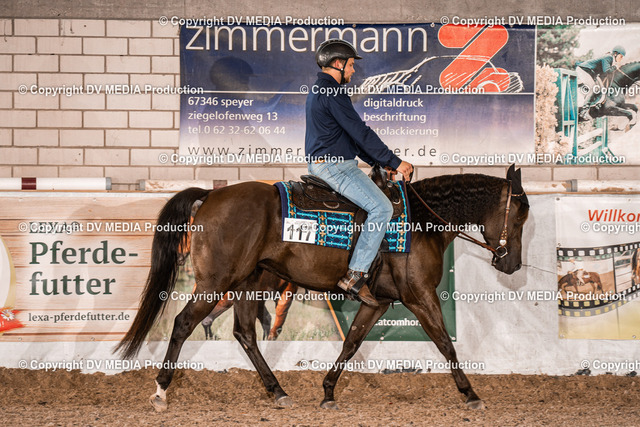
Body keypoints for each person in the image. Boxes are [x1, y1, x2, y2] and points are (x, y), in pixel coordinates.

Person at [305, 39, 414, 307]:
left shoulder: (321, 90)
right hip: (335, 167)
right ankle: (355, 275)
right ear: (338, 63)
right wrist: (395, 161)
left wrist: (381, 162)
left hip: (329, 163)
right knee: (382, 208)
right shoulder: (333, 92)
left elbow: (350, 138)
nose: (353, 71)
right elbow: (360, 132)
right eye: (351, 65)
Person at [576, 45, 626, 119]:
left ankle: (594, 107)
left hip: (591, 73)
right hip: (584, 70)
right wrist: (615, 67)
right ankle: (584, 111)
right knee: (594, 89)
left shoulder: (610, 59)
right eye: (621, 56)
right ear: (615, 54)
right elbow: (606, 71)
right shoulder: (608, 57)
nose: (621, 59)